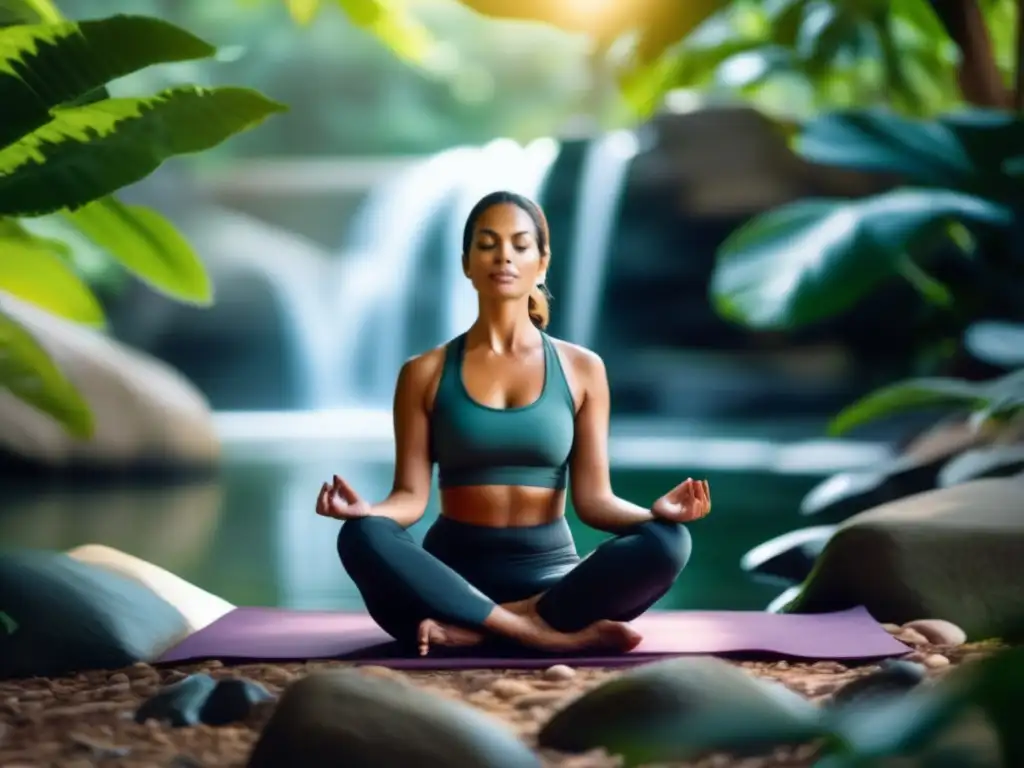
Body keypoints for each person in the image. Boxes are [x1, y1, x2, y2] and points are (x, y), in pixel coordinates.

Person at [316, 190, 712, 657]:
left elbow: (595, 502)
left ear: (541, 262)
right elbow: (410, 499)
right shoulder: (423, 373)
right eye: (487, 244)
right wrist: (367, 512)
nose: (503, 255)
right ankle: (534, 634)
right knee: (362, 535)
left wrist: (655, 517)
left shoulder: (582, 369)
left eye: (520, 245)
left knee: (667, 543)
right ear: (466, 263)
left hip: (551, 579)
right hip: (446, 580)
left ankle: (488, 629)